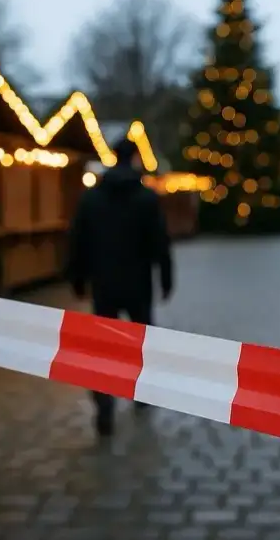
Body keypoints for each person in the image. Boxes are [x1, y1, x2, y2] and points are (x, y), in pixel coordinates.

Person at [66, 138, 173, 438]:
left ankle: (104, 401)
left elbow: (77, 239)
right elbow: (160, 242)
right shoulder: (146, 199)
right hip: (138, 282)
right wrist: (165, 278)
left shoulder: (92, 198)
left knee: (104, 344)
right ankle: (141, 390)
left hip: (104, 282)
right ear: (135, 158)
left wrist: (77, 278)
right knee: (141, 339)